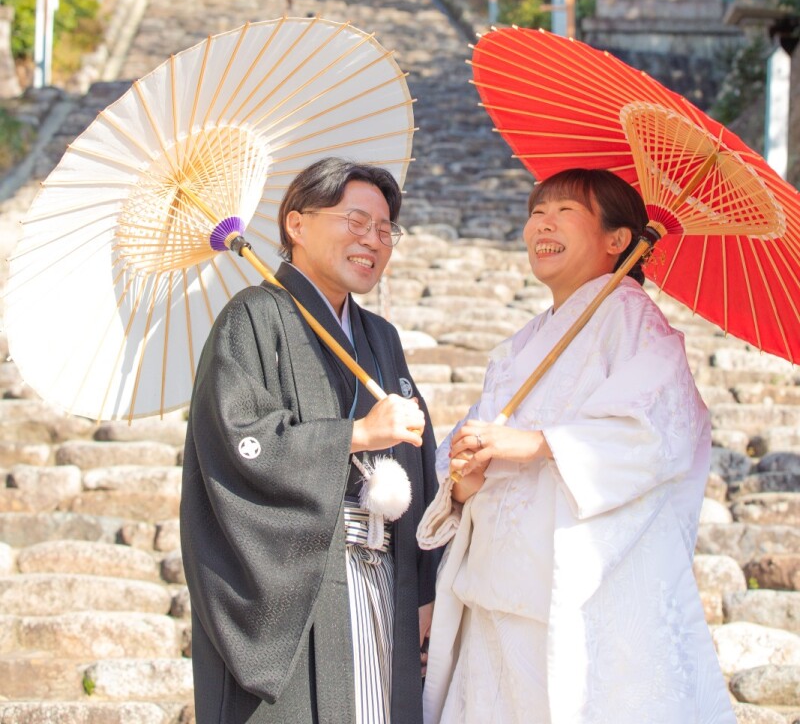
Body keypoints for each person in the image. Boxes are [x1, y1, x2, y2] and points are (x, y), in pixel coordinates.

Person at [417, 167, 735, 724]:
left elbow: (657, 430)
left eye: (565, 212)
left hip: (568, 597)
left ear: (617, 240)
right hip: (495, 588)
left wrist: (538, 443)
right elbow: (471, 446)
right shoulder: (525, 341)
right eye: (537, 212)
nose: (543, 224)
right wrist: (464, 479)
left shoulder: (631, 317)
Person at [181, 157, 439, 724]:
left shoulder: (380, 338)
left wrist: (424, 589)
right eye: (356, 221)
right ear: (296, 225)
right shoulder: (251, 318)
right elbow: (238, 444)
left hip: (385, 582)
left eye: (385, 229)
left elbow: (421, 469)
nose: (373, 240)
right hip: (301, 587)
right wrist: (357, 434)